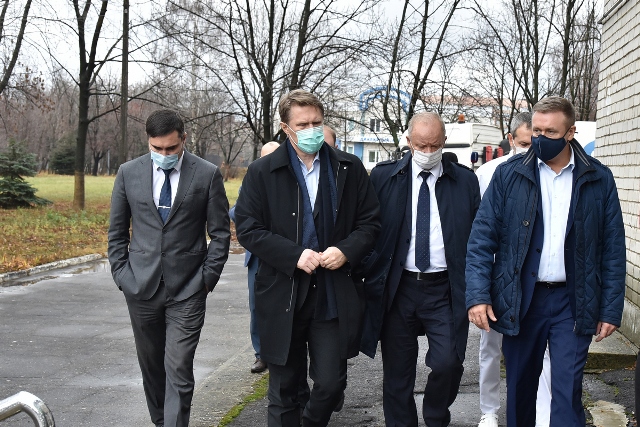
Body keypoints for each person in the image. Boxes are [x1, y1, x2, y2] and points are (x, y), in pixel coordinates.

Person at [466, 97, 626, 427]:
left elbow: (612, 247)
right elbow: (481, 239)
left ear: (571, 132)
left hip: (574, 300)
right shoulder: (508, 175)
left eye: (550, 132)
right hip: (521, 299)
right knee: (520, 389)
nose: (540, 138)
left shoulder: (598, 178)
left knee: (567, 390)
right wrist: (478, 295)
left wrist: (610, 309)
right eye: (536, 131)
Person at [234, 89, 380, 427]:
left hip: (331, 293)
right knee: (284, 390)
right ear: (285, 128)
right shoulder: (262, 171)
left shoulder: (348, 168)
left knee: (330, 384)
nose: (312, 130)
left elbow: (370, 223)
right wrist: (294, 255)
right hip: (282, 292)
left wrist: (346, 250)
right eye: (303, 124)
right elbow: (249, 229)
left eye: (317, 122)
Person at [108, 109, 230, 427]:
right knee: (152, 367)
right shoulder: (128, 173)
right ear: (148, 141)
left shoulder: (206, 174)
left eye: (171, 148)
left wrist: (206, 279)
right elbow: (117, 233)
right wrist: (122, 276)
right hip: (141, 287)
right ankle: (161, 421)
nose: (164, 155)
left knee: (178, 368)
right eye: (157, 148)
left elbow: (220, 234)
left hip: (188, 289)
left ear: (184, 139)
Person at [361, 112, 481, 426]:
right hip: (398, 287)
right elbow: (367, 228)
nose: (428, 152)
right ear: (408, 141)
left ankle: (436, 415)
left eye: (435, 145)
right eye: (421, 145)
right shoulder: (384, 177)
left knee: (448, 363)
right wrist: (370, 270)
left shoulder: (465, 181)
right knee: (398, 372)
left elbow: (478, 238)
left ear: (444, 142)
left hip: (445, 288)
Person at [475, 112, 551, 427]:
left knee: (542, 348)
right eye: (525, 143)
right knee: (491, 345)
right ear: (511, 140)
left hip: (534, 275)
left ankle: (543, 412)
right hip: (498, 272)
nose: (532, 149)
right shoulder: (488, 173)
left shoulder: (550, 172)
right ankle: (489, 410)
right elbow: (479, 229)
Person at [229, 141, 280, 374]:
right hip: (257, 255)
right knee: (256, 307)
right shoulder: (252, 180)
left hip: (283, 252)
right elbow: (235, 212)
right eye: (263, 157)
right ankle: (261, 354)